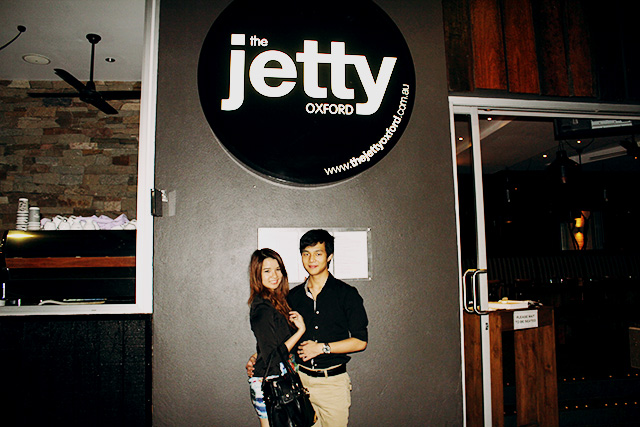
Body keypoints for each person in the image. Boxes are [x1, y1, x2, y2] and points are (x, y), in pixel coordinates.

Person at [247, 229, 369, 427]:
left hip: (332, 384)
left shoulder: (347, 294)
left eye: (318, 253)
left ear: (329, 256)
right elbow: (279, 337)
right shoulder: (292, 297)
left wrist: (322, 348)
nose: (311, 259)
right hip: (298, 382)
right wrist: (258, 357)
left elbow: (360, 341)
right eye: (306, 253)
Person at [247, 248, 306, 427]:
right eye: (267, 271)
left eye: (278, 269)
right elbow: (273, 356)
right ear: (257, 275)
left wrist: (256, 356)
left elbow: (269, 344)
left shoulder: (277, 302)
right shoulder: (262, 308)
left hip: (281, 380)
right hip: (269, 385)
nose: (274, 275)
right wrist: (300, 331)